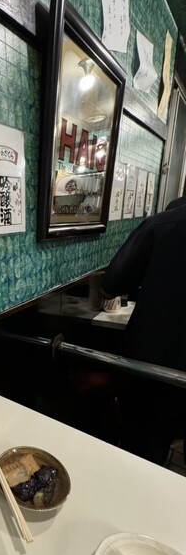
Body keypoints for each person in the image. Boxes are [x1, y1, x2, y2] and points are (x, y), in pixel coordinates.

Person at [100, 196, 186, 465]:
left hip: (152, 373)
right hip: (159, 374)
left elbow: (111, 284)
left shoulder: (161, 225)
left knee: (142, 457)